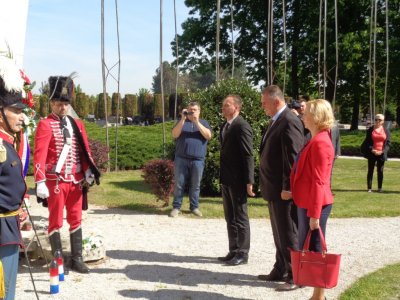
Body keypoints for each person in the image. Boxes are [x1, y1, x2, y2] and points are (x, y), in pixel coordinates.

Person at [34, 75, 100, 273]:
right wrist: (40, 181)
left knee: (76, 217)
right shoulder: (45, 125)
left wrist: (88, 170)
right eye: (58, 103)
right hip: (56, 181)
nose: (62, 107)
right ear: (52, 103)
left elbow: (84, 149)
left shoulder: (77, 124)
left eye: (65, 103)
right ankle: (58, 259)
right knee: (55, 220)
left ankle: (77, 258)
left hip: (77, 181)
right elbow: (40, 154)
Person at [258, 85, 304, 291]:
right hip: (273, 188)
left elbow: (293, 159)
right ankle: (281, 267)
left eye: (264, 102)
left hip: (283, 190)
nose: (262, 106)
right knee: (278, 231)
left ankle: (296, 275)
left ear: (276, 101)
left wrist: (289, 187)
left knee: (288, 232)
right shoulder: (277, 120)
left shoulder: (289, 121)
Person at [290, 99, 336, 300]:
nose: (302, 115)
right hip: (308, 202)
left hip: (314, 204)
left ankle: (319, 296)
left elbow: (319, 182)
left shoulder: (321, 142)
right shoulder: (317, 138)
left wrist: (315, 215)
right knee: (311, 247)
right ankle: (317, 294)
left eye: (306, 112)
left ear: (316, 117)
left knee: (316, 250)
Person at [0, 56, 28, 300]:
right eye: (16, 111)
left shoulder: (7, 144)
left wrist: (16, 208)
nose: (22, 117)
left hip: (9, 227)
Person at [218, 95, 255, 266]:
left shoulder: (241, 126)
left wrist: (249, 180)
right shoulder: (225, 126)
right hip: (226, 178)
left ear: (237, 107)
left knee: (240, 216)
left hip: (238, 180)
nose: (224, 108)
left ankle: (243, 252)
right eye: (223, 105)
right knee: (229, 216)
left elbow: (248, 155)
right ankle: (233, 249)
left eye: (227, 105)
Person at [170, 101, 212, 217]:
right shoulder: (181, 122)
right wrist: (183, 119)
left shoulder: (204, 122)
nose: (192, 112)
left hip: (198, 160)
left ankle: (194, 207)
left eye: (195, 110)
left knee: (195, 185)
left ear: (199, 111)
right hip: (181, 159)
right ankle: (176, 207)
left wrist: (196, 122)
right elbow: (174, 134)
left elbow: (208, 136)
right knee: (179, 184)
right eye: (190, 110)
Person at [361, 113, 391, 192]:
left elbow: (388, 143)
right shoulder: (370, 130)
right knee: (370, 170)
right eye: (376, 119)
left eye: (379, 120)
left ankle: (379, 188)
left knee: (380, 171)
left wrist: (383, 151)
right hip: (372, 153)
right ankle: (369, 188)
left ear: (383, 121)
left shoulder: (386, 130)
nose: (377, 121)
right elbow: (367, 142)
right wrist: (372, 149)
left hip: (381, 153)